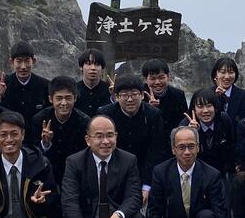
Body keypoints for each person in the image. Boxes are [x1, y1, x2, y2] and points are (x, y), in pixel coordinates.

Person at [97, 74, 169, 202]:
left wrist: (147, 186)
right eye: (124, 95)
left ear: (142, 95)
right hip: (113, 171)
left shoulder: (153, 115)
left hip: (143, 170)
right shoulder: (105, 114)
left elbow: (156, 151)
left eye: (135, 94)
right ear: (116, 97)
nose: (130, 99)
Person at [29, 76, 90, 185]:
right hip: (47, 173)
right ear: (50, 99)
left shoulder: (84, 122)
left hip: (76, 173)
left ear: (75, 98)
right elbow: (33, 153)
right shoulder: (39, 119)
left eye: (68, 98)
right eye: (59, 98)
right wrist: (45, 143)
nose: (64, 103)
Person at [177, 89, 235, 179]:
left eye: (209, 106)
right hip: (196, 173)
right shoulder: (185, 125)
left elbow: (231, 147)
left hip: (220, 172)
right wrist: (193, 133)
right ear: (194, 109)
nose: (205, 111)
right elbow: (183, 157)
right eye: (200, 106)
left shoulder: (224, 120)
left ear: (215, 107)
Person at [0, 41, 50, 129]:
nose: (23, 66)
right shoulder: (4, 84)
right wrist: (0, 95)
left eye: (27, 61)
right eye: (19, 61)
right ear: (12, 62)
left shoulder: (45, 85)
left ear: (33, 61)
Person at [142, 58, 188, 133]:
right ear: (145, 79)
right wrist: (149, 109)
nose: (157, 82)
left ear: (168, 77)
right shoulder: (139, 96)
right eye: (153, 79)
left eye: (161, 77)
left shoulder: (178, 95)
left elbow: (183, 122)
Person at [209, 57, 245, 125]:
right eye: (223, 72)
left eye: (231, 72)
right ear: (215, 74)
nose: (227, 77)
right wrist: (216, 98)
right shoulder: (207, 96)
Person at [75, 49, 112, 117]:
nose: (93, 68)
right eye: (88, 64)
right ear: (81, 67)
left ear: (102, 68)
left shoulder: (110, 90)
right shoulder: (74, 89)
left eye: (97, 64)